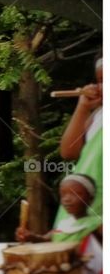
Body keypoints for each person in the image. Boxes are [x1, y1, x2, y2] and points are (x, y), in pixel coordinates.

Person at [55, 57, 102, 225]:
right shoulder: (98, 115)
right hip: (89, 204)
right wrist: (83, 108)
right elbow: (69, 151)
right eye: (100, 81)